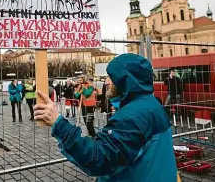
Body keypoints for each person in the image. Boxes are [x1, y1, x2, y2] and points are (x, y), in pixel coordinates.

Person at [34, 53, 177, 182]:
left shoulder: (131, 117)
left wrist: (59, 124)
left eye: (111, 77)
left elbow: (100, 158)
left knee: (89, 121)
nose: (107, 82)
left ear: (125, 80)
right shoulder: (152, 104)